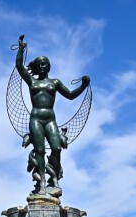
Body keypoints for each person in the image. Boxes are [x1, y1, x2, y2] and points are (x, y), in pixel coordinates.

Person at [15, 35, 90, 197]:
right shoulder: (32, 82)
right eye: (40, 64)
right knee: (39, 150)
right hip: (35, 119)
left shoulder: (54, 83)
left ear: (49, 66)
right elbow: (19, 67)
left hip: (50, 119)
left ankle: (53, 177)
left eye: (45, 64)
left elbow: (70, 95)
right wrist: (21, 49)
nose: (42, 66)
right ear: (36, 66)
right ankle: (42, 182)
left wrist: (83, 86)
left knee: (56, 148)